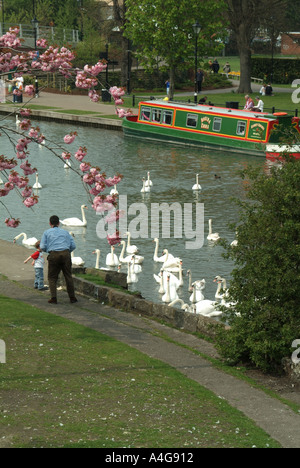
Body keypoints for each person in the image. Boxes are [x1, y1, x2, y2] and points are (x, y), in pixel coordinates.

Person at [40, 215, 77, 304]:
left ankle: (53, 297)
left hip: (54, 254)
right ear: (59, 223)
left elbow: (42, 246)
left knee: (52, 277)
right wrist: (67, 251)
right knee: (68, 276)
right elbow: (73, 246)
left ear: (50, 223)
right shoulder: (65, 232)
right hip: (65, 254)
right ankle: (72, 297)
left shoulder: (46, 232)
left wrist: (49, 250)